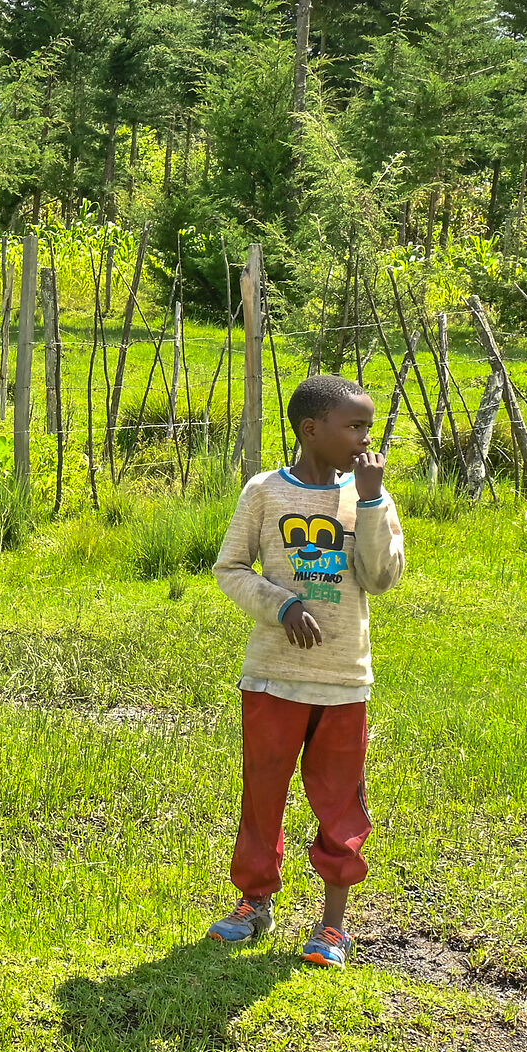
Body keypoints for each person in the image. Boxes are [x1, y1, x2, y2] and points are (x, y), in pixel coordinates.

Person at [206, 374, 406, 967]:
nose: (365, 438)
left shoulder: (368, 496)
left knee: (340, 800)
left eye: (367, 425)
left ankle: (332, 926)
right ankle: (254, 902)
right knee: (263, 793)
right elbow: (231, 568)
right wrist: (283, 605)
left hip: (344, 680)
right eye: (354, 426)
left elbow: (381, 577)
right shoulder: (265, 492)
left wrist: (370, 501)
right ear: (311, 429)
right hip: (272, 677)